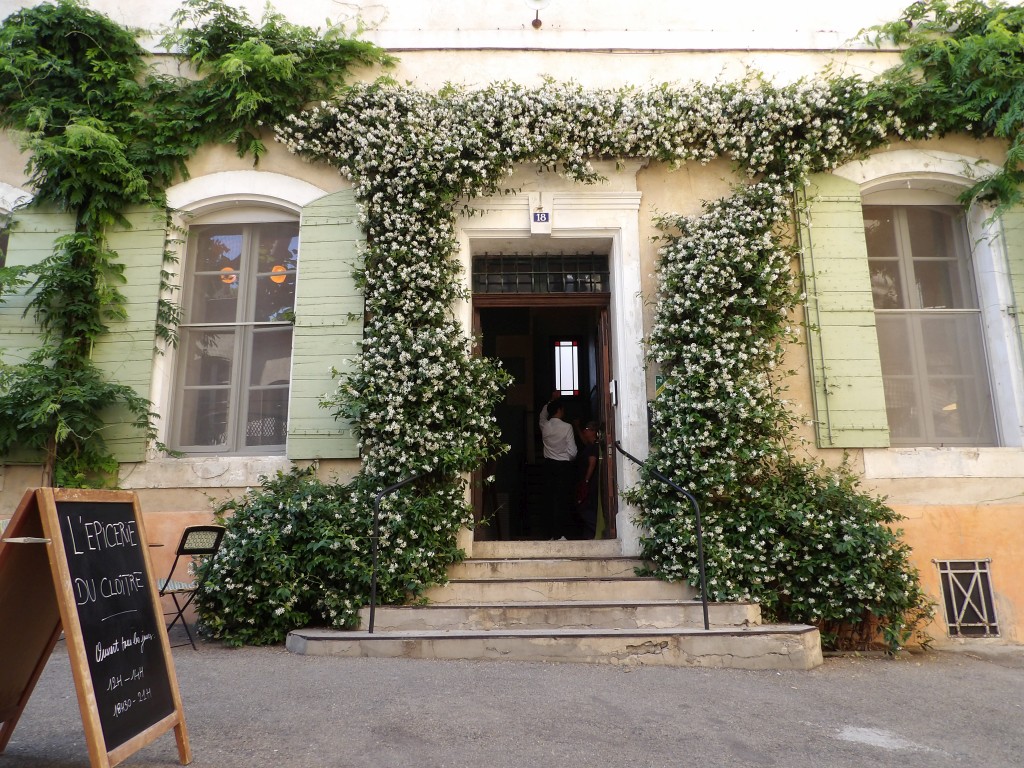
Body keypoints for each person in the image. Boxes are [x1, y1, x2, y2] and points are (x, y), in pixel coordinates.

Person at [538, 393, 577, 539]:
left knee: (549, 499)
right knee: (563, 499)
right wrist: (567, 458)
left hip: (548, 466)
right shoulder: (567, 427)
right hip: (563, 467)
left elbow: (542, 415)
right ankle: (562, 534)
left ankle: (549, 535)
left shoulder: (545, 426)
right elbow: (573, 452)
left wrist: (551, 400)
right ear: (559, 410)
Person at [575, 422, 600, 540]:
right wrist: (577, 426)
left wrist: (586, 481)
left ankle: (597, 530)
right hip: (588, 482)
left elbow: (592, 463)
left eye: (586, 429)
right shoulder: (590, 445)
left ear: (593, 431)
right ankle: (589, 536)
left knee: (585, 508)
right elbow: (583, 439)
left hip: (590, 483)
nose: (584, 432)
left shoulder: (594, 446)